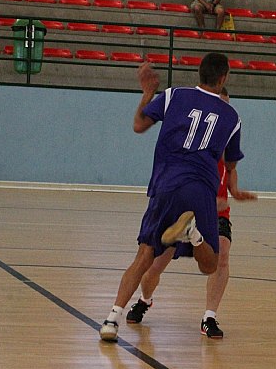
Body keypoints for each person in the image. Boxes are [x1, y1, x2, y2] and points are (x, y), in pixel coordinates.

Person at [100, 52, 244, 341]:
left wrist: (147, 93)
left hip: (166, 184)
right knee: (210, 264)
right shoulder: (232, 117)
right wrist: (236, 189)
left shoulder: (173, 94)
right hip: (202, 189)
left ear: (198, 72)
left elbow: (139, 125)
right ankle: (193, 235)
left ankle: (111, 320)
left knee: (143, 256)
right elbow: (230, 165)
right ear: (224, 77)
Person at [125, 88, 257, 339]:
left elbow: (231, 170)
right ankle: (145, 299)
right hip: (185, 204)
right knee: (156, 262)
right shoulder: (190, 144)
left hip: (214, 212)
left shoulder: (227, 135)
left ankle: (209, 317)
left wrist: (234, 190)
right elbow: (142, 124)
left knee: (222, 253)